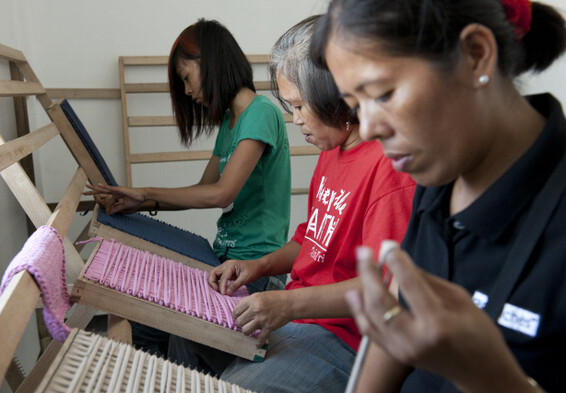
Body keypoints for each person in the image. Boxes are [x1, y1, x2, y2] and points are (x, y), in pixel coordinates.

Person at [311, 0, 566, 392]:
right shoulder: (436, 173)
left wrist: (489, 376)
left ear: (476, 55)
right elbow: (396, 320)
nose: (369, 127)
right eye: (354, 106)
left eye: (382, 94)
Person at [197, 15, 415, 393]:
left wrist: (288, 305)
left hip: (344, 339)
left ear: (338, 96)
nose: (295, 120)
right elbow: (309, 240)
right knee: (187, 338)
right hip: (300, 318)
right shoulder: (332, 150)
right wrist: (257, 266)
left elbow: (386, 290)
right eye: (290, 106)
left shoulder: (390, 169)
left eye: (300, 106)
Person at [85, 19, 291, 354]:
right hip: (224, 262)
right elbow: (202, 189)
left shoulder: (261, 112)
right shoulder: (231, 121)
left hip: (256, 271)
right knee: (143, 327)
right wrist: (140, 204)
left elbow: (221, 194)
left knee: (183, 339)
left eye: (186, 77)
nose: (187, 91)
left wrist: (146, 193)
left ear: (209, 63)